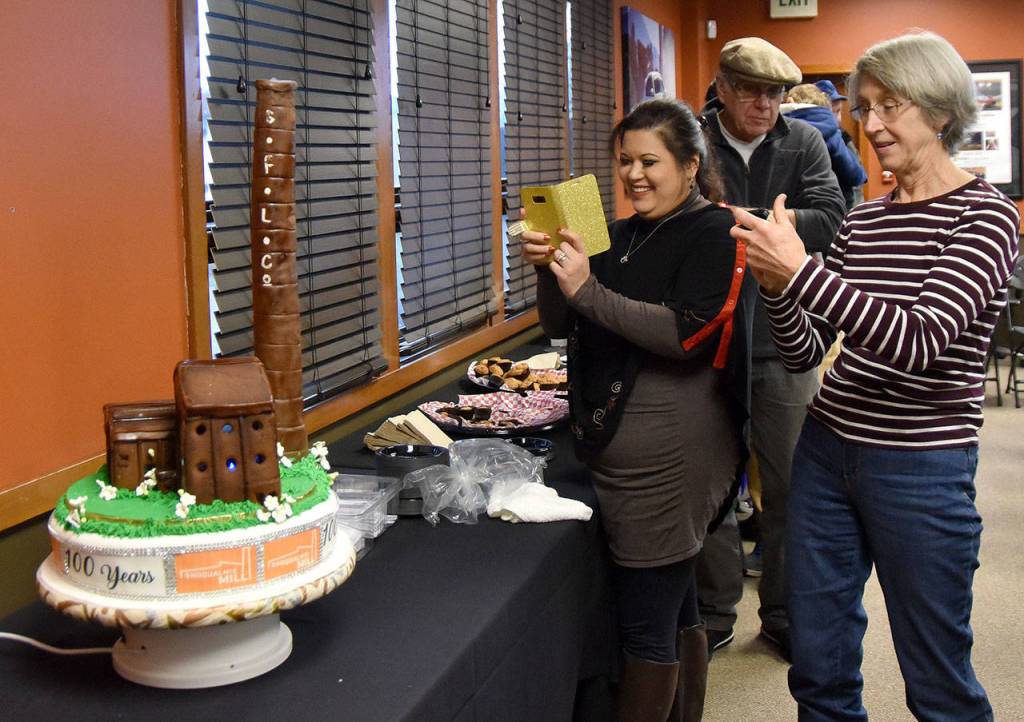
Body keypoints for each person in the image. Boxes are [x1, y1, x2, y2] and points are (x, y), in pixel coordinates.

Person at [731, 30, 1019, 721]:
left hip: (920, 467)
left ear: (943, 111)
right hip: (827, 454)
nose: (874, 124)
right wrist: (778, 283)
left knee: (939, 684)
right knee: (820, 672)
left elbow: (916, 342)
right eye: (867, 107)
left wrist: (802, 270)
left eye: (893, 106)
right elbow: (806, 352)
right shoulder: (864, 223)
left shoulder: (986, 218)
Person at [518, 98, 750, 721]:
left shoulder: (718, 231)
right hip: (610, 447)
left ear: (691, 165)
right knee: (673, 608)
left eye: (650, 161)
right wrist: (552, 273)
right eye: (624, 160)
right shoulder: (614, 234)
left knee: (645, 628)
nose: (634, 174)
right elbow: (559, 323)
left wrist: (586, 288)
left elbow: (684, 335)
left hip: (672, 462)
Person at [696, 37, 846, 662]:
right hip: (711, 339)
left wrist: (747, 218)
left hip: (789, 342)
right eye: (753, 91)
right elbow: (673, 217)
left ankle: (784, 613)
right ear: (724, 87)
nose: (767, 104)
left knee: (790, 488)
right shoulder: (694, 138)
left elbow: (834, 216)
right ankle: (713, 612)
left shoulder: (803, 141)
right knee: (713, 488)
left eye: (778, 93)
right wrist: (766, 224)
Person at [783, 84, 868, 207]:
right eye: (836, 111)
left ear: (790, 102)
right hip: (833, 210)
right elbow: (856, 175)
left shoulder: (780, 130)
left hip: (789, 211)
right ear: (825, 107)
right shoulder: (831, 133)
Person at [815, 79, 868, 209]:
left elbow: (858, 181)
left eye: (839, 111)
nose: (838, 119)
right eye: (833, 111)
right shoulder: (831, 137)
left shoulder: (842, 137)